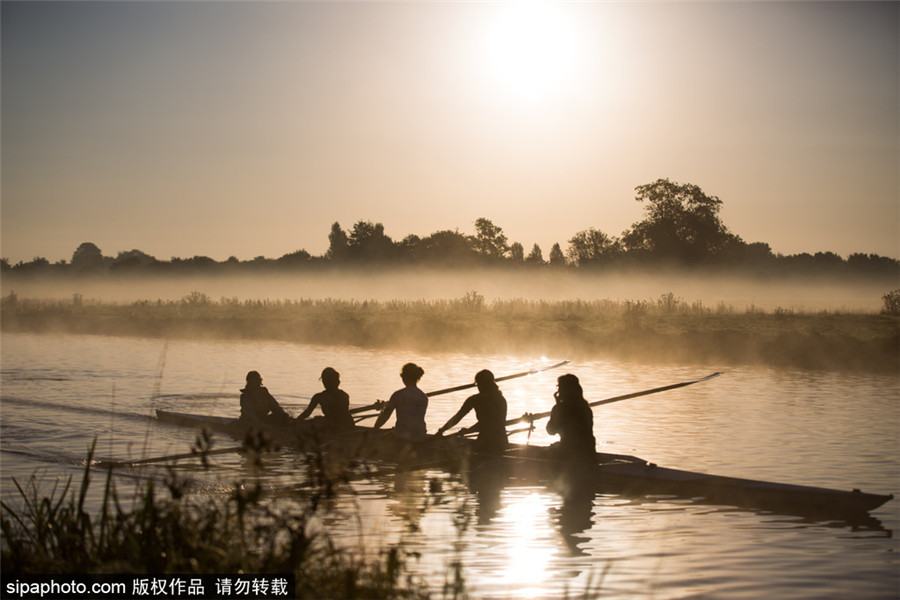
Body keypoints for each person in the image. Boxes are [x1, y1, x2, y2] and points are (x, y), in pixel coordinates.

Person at [435, 369, 508, 454]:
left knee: (457, 452)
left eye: (479, 384)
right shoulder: (500, 399)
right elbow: (458, 417)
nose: (478, 386)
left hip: (488, 443)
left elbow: (489, 424)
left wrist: (468, 430)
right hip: (500, 442)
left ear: (484, 384)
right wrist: (442, 430)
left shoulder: (478, 400)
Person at [546, 374, 596, 462]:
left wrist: (557, 406)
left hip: (569, 454)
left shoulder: (560, 408)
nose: (558, 390)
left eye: (559, 387)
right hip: (588, 452)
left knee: (541, 454)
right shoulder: (585, 407)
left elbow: (551, 430)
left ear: (565, 390)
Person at [373, 362, 428, 442]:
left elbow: (386, 415)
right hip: (420, 435)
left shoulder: (398, 395)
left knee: (378, 439)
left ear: (404, 377)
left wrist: (375, 428)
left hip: (402, 436)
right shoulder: (423, 397)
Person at [296, 367, 356, 433]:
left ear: (325, 382)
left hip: (335, 428)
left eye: (324, 381)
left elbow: (307, 413)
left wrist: (294, 422)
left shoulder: (319, 397)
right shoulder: (345, 395)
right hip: (350, 425)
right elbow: (339, 414)